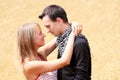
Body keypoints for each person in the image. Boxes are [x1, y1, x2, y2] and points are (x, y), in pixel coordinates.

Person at [39, 4, 91, 80]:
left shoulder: (79, 42)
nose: (47, 31)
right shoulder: (61, 39)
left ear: (58, 20)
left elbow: (82, 76)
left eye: (48, 26)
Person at [17, 22, 81, 80]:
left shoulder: (39, 54)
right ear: (30, 39)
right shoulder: (29, 65)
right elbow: (65, 61)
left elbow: (59, 37)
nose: (44, 35)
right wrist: (72, 34)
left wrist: (72, 25)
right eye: (40, 33)